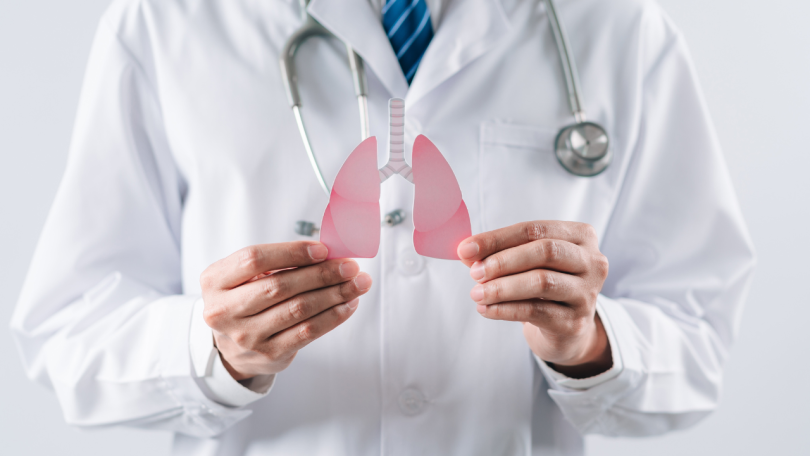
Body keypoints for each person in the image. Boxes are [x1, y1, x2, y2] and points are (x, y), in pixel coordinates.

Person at [10, 0, 755, 454]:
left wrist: (591, 345)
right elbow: (70, 330)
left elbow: (699, 339)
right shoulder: (166, 22)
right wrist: (215, 348)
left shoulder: (621, 30)